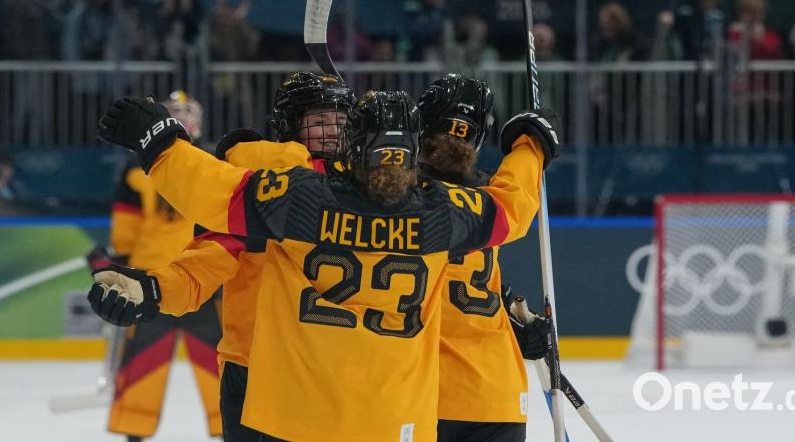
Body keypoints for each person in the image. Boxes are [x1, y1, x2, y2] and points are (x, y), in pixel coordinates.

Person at [90, 90, 560, 441]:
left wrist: (162, 142)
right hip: (393, 421)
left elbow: (212, 191)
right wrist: (530, 146)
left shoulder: (300, 198)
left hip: (293, 416)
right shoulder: (441, 211)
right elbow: (511, 208)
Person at [139, 72, 355, 441]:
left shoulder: (255, 184)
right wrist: (153, 288)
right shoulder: (378, 191)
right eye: (319, 121)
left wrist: (248, 154)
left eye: (341, 121)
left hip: (331, 372)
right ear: (289, 126)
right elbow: (209, 260)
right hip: (264, 367)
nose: (333, 131)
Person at [417, 75, 548, 442]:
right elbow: (515, 200)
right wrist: (531, 146)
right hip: (495, 395)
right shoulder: (486, 200)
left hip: (424, 397)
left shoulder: (397, 203)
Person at [102, 91, 223, 442]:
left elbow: (125, 229)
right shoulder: (214, 160)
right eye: (178, 114)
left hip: (168, 279)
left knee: (152, 361)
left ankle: (136, 430)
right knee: (210, 361)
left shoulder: (140, 164)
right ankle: (225, 426)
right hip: (188, 276)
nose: (185, 120)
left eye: (188, 113)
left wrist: (121, 260)